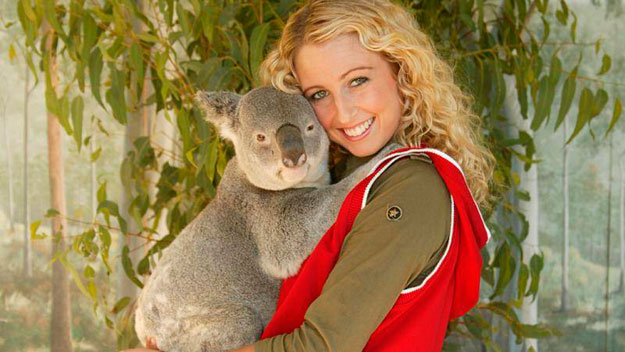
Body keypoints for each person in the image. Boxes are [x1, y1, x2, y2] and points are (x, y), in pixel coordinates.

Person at [124, 0, 494, 351]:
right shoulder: (346, 167)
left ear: (402, 70)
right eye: (319, 93)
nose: (343, 112)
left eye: (358, 81)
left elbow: (322, 346)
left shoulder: (412, 186)